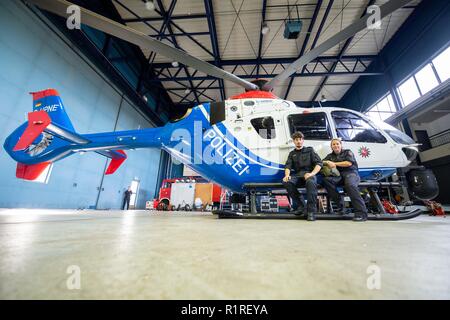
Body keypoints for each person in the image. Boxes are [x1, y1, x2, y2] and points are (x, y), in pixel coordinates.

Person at [322, 138, 368, 222]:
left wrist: (334, 163)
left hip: (351, 173)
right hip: (339, 176)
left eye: (337, 144)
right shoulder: (330, 156)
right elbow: (321, 162)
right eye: (333, 144)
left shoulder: (347, 152)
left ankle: (361, 213)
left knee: (350, 185)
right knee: (327, 180)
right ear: (331, 147)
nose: (335, 145)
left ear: (341, 145)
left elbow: (348, 163)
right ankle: (342, 208)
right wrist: (326, 162)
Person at [283, 131, 323, 221]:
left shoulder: (310, 150)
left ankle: (311, 212)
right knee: (286, 182)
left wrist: (311, 174)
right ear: (293, 141)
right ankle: (302, 206)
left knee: (311, 183)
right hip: (297, 175)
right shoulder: (291, 153)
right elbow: (288, 166)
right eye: (296, 140)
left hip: (309, 174)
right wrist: (287, 175)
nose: (298, 141)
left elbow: (319, 163)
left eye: (300, 139)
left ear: (303, 140)